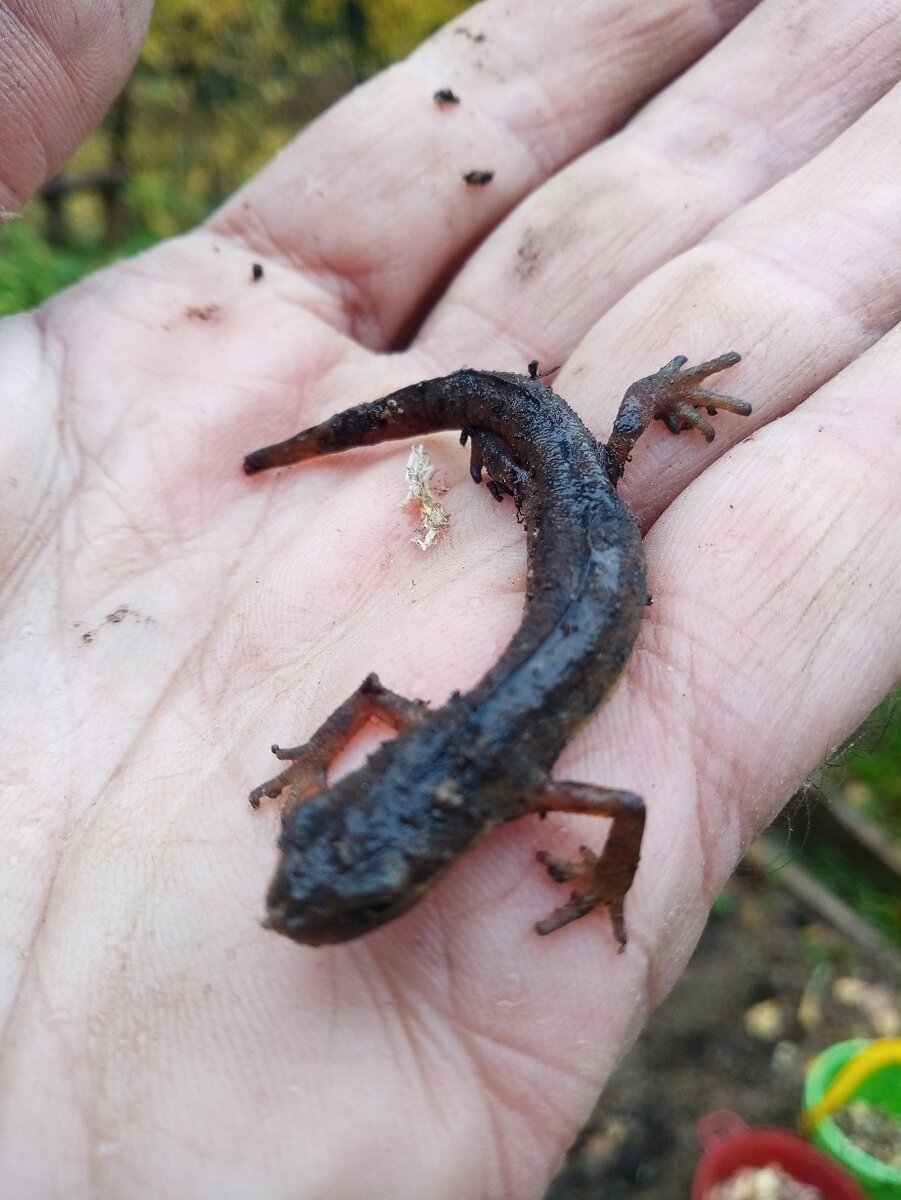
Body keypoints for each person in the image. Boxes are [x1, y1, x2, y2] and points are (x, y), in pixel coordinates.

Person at [1, 1, 898, 1196]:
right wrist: (322, 763)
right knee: (541, 447)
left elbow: (613, 806)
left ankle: (647, 391)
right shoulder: (486, 769)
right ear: (395, 798)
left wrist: (608, 874)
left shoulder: (510, 779)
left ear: (446, 835)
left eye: (347, 874)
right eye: (329, 848)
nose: (296, 901)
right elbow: (412, 711)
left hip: (581, 514)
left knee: (589, 452)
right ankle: (512, 426)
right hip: (561, 514)